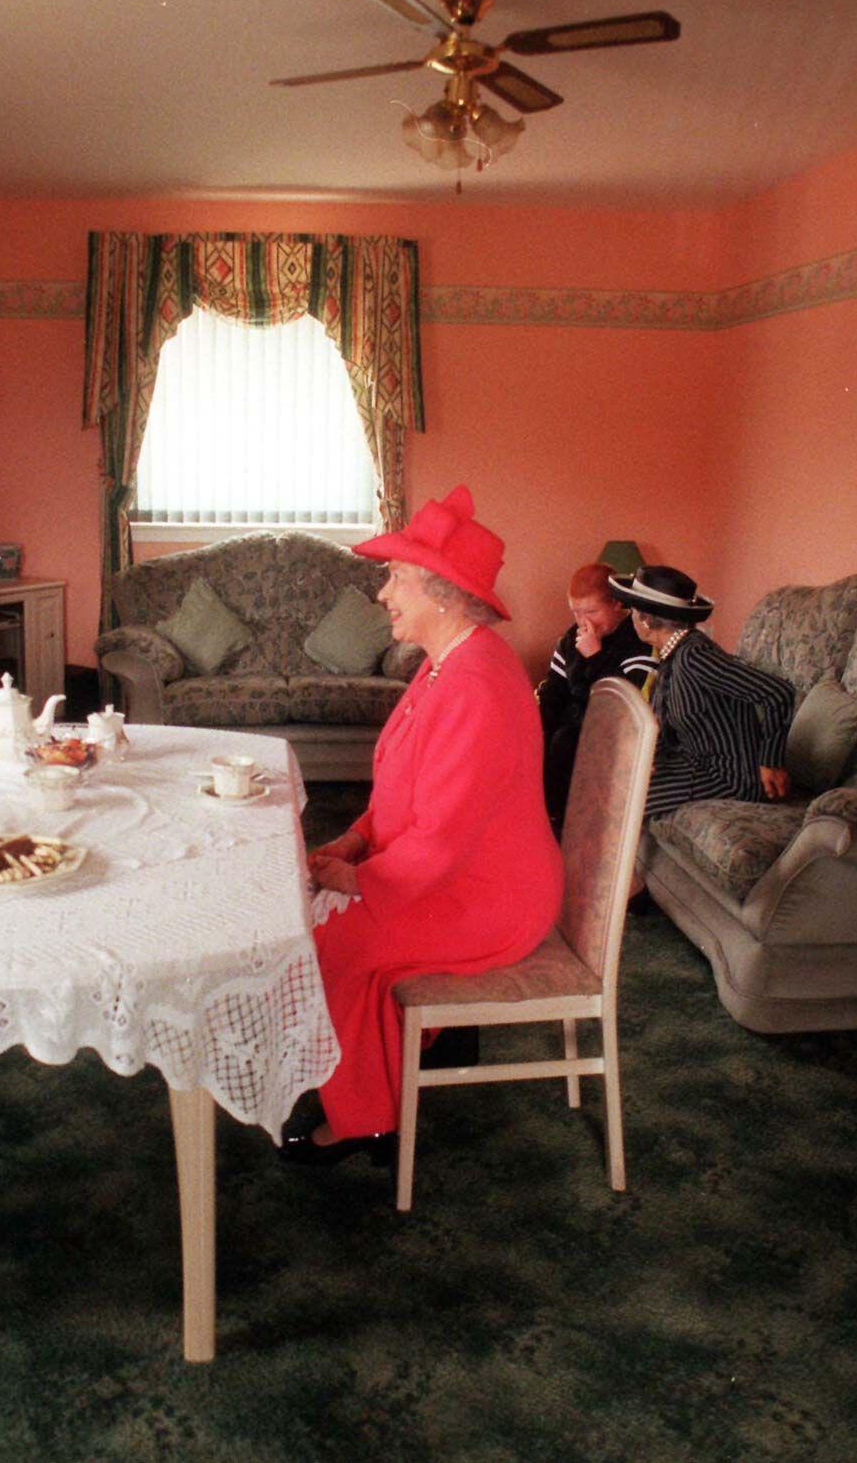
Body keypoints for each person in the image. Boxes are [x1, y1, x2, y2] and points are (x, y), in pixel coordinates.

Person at [285, 486, 563, 1166]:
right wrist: (353, 841)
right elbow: (401, 787)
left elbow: (438, 840)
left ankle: (367, 1120)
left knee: (331, 944)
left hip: (487, 899)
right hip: (453, 874)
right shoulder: (450, 664)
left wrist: (355, 877)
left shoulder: (475, 684)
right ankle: (381, 1064)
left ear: (442, 592)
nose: (383, 593)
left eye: (397, 577)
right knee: (324, 915)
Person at [608, 565, 795, 818]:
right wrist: (649, 758)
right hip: (694, 763)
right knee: (617, 781)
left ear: (646, 620)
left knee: (623, 802)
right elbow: (666, 722)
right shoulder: (671, 656)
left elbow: (777, 693)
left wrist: (771, 762)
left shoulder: (695, 656)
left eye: (633, 611)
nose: (631, 617)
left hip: (729, 775)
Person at [537, 561, 657, 836]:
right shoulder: (571, 638)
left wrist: (596, 656)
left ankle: (560, 826)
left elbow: (626, 704)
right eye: (576, 612)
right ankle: (540, 820)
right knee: (538, 735)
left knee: (564, 741)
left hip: (610, 729)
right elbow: (554, 690)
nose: (583, 622)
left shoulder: (638, 639)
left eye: (591, 611)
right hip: (570, 722)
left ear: (617, 604)